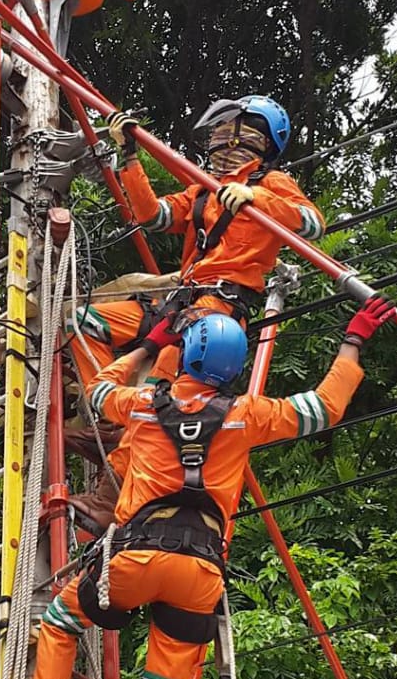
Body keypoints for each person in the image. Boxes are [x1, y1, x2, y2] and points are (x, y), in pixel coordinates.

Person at [21, 295, 395, 679]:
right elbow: (324, 407)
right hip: (198, 575)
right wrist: (353, 340)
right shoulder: (246, 414)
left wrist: (149, 344)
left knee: (61, 617)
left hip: (135, 558)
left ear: (188, 357)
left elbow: (99, 391)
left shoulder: (145, 405)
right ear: (233, 368)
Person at [66, 95, 325, 528]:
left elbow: (312, 223)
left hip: (217, 311)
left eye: (232, 137)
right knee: (84, 322)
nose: (223, 147)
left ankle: (109, 497)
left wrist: (257, 199)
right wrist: (129, 158)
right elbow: (152, 215)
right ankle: (107, 422)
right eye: (219, 139)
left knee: (159, 394)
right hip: (179, 300)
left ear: (257, 141)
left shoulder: (273, 184)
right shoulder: (203, 189)